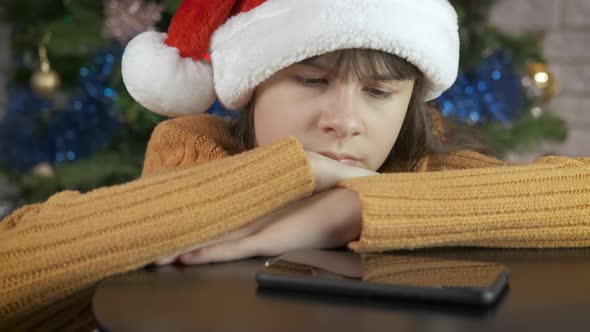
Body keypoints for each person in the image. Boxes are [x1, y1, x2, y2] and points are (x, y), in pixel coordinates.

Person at [1, 0, 589, 320]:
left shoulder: (419, 169)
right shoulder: (193, 149)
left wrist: (353, 207)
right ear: (254, 84)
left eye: (379, 93)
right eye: (310, 80)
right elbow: (13, 267)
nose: (345, 119)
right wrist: (294, 172)